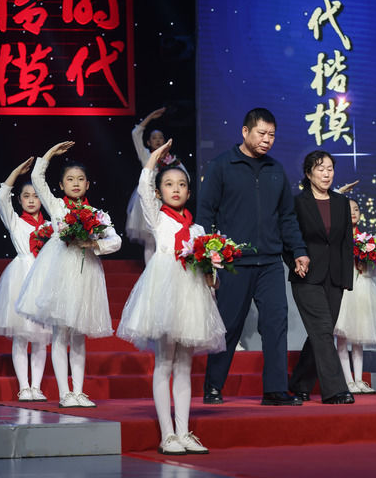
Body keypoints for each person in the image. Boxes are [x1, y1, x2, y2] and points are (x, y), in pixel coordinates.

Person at [117, 139, 225, 455]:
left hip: (191, 297)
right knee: (164, 363)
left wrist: (212, 278)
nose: (175, 189)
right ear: (159, 191)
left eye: (181, 185)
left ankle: (183, 431)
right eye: (168, 184)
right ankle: (167, 434)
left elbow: (209, 270)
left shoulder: (199, 229)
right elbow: (142, 189)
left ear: (189, 193)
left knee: (185, 367)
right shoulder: (157, 218)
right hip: (165, 295)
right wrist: (153, 160)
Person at [197, 107, 309, 407]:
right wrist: (208, 256)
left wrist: (299, 251)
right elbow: (205, 213)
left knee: (275, 322)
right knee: (229, 325)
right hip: (234, 262)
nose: (267, 140)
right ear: (245, 131)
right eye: (261, 133)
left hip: (270, 262)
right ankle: (213, 386)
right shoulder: (222, 166)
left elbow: (287, 217)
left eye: (272, 135)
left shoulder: (276, 170)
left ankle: (275, 390)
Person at [16, 142, 121, 408]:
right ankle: (65, 393)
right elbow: (37, 177)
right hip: (60, 275)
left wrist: (94, 244)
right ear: (61, 185)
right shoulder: (56, 207)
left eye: (80, 179)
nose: (75, 183)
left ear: (88, 184)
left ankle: (79, 391)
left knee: (79, 337)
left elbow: (116, 241)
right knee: (60, 334)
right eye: (70, 179)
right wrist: (50, 153)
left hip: (86, 276)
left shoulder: (97, 214)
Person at [287, 150, 354, 404]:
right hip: (307, 276)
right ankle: (335, 390)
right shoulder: (297, 203)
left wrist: (346, 279)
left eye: (330, 169)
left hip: (334, 277)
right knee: (323, 330)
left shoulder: (341, 202)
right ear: (308, 173)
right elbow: (288, 237)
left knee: (321, 332)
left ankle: (300, 383)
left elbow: (346, 242)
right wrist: (294, 261)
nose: (326, 174)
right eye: (320, 169)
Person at [0, 158, 52, 401]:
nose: (32, 200)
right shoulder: (15, 222)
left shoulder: (51, 225)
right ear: (20, 200)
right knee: (21, 336)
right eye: (26, 196)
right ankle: (24, 387)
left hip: (44, 279)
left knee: (42, 337)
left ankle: (37, 387)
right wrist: (15, 173)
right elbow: (2, 196)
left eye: (36, 196)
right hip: (21, 278)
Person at [334, 198, 376, 394]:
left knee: (358, 338)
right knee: (343, 337)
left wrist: (369, 265)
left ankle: (359, 380)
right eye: (349, 210)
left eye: (356, 209)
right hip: (344, 290)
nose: (353, 212)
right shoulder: (337, 237)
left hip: (363, 290)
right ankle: (347, 382)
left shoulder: (369, 240)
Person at [126, 107, 185, 264]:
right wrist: (151, 116)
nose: (158, 140)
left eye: (160, 137)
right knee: (151, 240)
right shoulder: (146, 155)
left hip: (166, 201)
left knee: (167, 239)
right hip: (150, 199)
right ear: (148, 142)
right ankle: (150, 274)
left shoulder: (172, 160)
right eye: (154, 138)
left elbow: (185, 177)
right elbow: (135, 133)